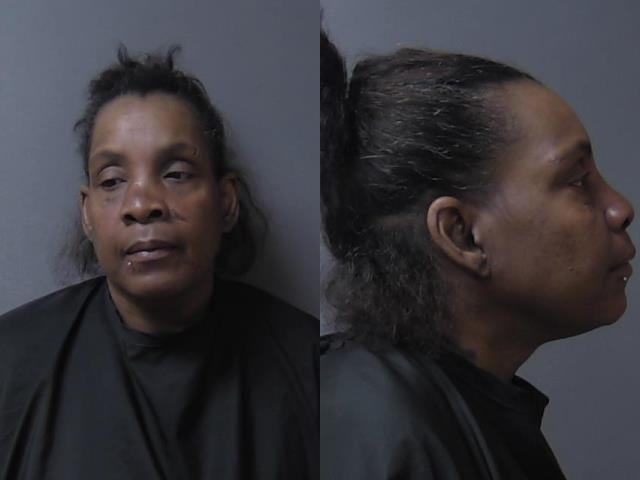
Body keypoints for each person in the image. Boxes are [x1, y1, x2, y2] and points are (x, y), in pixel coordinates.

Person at [320, 30, 635, 480]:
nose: (621, 209)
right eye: (576, 179)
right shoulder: (378, 430)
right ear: (463, 235)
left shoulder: (444, 407)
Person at [0, 47, 318, 480]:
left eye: (176, 174)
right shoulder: (11, 367)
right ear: (88, 213)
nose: (142, 204)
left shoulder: (312, 367)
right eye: (113, 180)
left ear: (226, 201)